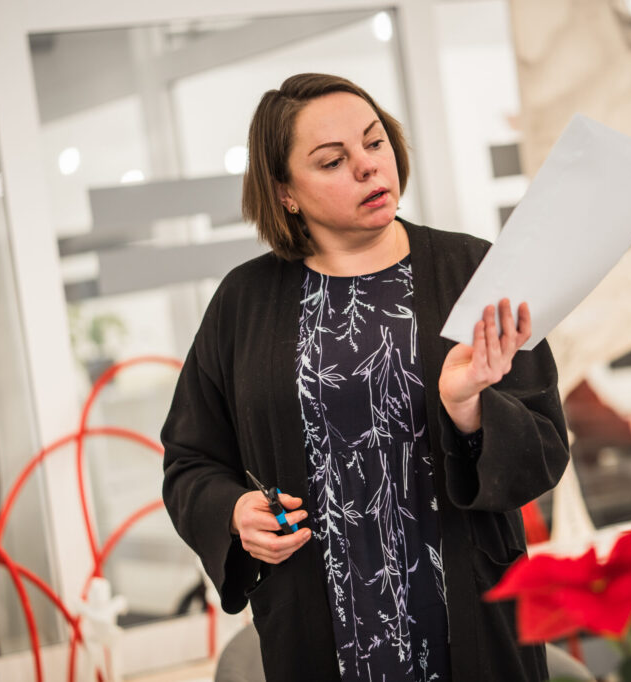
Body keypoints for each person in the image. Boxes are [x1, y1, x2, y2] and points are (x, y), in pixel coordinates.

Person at [161, 73, 570, 682]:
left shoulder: (471, 269)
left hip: (473, 625)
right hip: (316, 634)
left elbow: (545, 447)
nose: (367, 166)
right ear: (285, 193)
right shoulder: (243, 303)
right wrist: (234, 512)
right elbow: (189, 461)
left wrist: (469, 410)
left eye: (374, 143)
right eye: (332, 161)